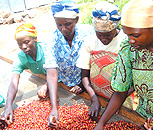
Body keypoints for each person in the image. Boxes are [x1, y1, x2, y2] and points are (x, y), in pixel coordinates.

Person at [94, 0, 153, 130]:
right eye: (127, 34)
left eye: (135, 35)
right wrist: (101, 124)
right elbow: (120, 92)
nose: (130, 40)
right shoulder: (128, 48)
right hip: (146, 121)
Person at [76, 1, 132, 121]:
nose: (103, 39)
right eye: (99, 35)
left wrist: (117, 102)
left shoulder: (126, 42)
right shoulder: (89, 41)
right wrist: (94, 98)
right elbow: (84, 76)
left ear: (115, 28)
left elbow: (135, 80)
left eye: (107, 35)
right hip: (97, 95)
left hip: (124, 100)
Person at [43, 0, 95, 128]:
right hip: (64, 80)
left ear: (76, 20)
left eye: (68, 24)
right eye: (58, 24)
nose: (63, 29)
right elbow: (51, 72)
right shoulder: (51, 39)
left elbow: (95, 61)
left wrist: (84, 83)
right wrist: (54, 108)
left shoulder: (88, 32)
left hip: (86, 80)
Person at [0, 23, 47, 125]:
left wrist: (46, 85)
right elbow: (13, 82)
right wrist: (8, 107)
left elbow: (61, 71)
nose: (23, 47)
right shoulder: (21, 57)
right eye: (20, 44)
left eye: (26, 42)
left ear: (35, 38)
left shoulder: (47, 50)